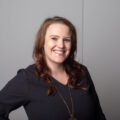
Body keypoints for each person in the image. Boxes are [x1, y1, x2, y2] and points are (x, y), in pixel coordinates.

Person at [0, 16, 106, 120]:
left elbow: (98, 115)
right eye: (54, 38)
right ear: (42, 42)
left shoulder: (82, 72)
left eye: (66, 40)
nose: (61, 45)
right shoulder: (27, 78)